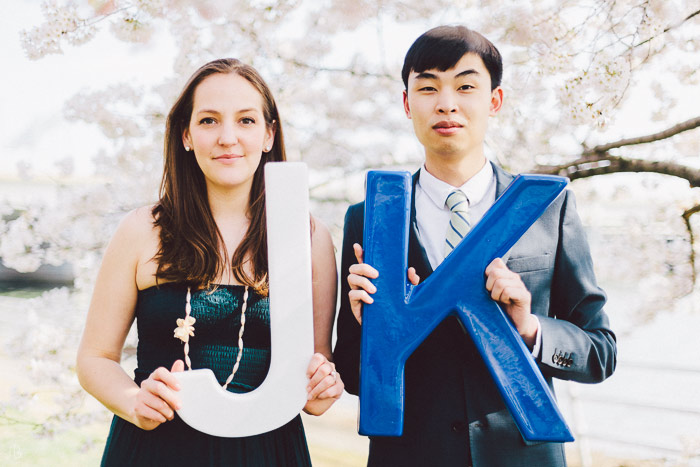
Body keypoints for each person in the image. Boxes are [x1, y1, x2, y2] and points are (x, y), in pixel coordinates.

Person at [333, 25, 616, 466]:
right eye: (428, 87)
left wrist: (530, 327)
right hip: (409, 455)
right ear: (407, 104)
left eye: (466, 86)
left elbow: (600, 352)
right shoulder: (369, 218)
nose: (446, 103)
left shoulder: (548, 210)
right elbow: (351, 371)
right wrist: (372, 327)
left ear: (494, 101)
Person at [77, 58, 343, 466]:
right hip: (156, 450)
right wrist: (134, 402)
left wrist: (322, 387)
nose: (227, 137)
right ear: (185, 134)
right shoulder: (142, 230)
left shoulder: (310, 239)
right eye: (208, 121)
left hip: (267, 453)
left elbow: (315, 382)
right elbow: (94, 358)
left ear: (270, 134)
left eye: (246, 121)